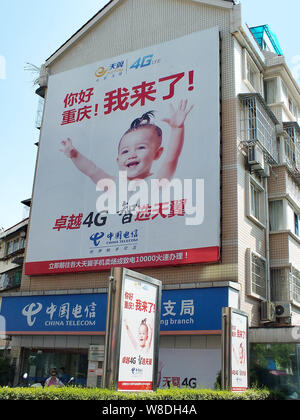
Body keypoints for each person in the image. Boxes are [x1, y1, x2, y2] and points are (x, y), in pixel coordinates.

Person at [60, 100, 193, 182]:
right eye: (125, 151)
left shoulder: (158, 181)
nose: (132, 154)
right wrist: (75, 155)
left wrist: (177, 129)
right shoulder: (113, 185)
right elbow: (92, 170)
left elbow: (171, 159)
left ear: (157, 154)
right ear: (118, 160)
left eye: (141, 147)